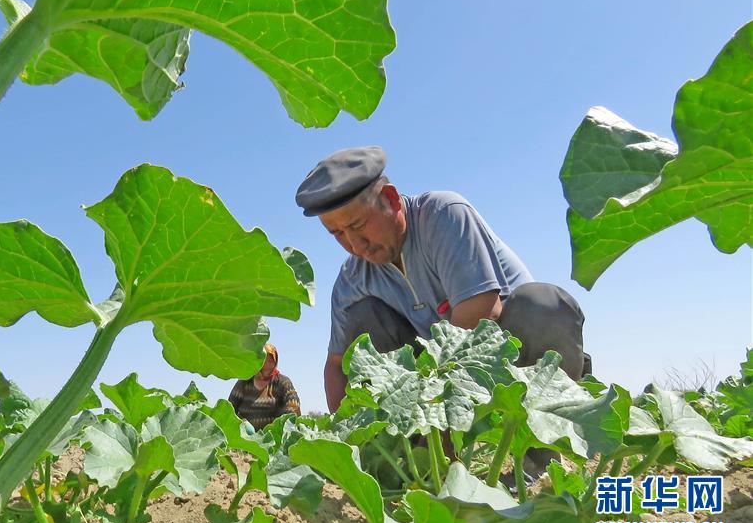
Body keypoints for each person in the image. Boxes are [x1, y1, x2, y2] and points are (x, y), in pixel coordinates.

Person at [295, 146, 592, 472]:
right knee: (363, 321)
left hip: (512, 355)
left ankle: (537, 466)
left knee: (542, 306)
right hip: (437, 377)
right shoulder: (352, 280)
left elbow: (483, 315)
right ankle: (398, 464)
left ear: (392, 199)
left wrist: (440, 441)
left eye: (359, 224)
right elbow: (337, 365)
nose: (354, 245)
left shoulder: (443, 214)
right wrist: (346, 445)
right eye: (337, 234)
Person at [228, 343, 301, 430]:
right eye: (263, 359)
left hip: (274, 436)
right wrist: (240, 425)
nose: (267, 363)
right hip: (247, 437)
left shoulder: (283, 382)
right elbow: (230, 408)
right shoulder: (244, 382)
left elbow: (293, 405)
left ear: (275, 361)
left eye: (270, 360)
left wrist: (281, 426)